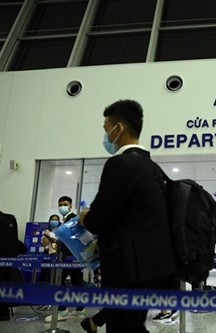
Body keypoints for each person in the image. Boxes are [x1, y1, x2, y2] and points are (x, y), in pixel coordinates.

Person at [79, 99, 176, 333]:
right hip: (152, 267)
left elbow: (98, 221)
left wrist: (85, 217)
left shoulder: (120, 164)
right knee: (132, 325)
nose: (105, 135)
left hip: (127, 269)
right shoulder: (151, 167)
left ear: (118, 128)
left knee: (122, 328)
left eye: (106, 128)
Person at [44, 196, 85, 323]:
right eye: (60, 204)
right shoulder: (67, 219)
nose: (62, 206)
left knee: (58, 280)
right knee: (77, 281)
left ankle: (62, 311)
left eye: (65, 204)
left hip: (69, 256)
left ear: (70, 206)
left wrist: (55, 238)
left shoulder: (71, 218)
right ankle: (80, 309)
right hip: (72, 256)